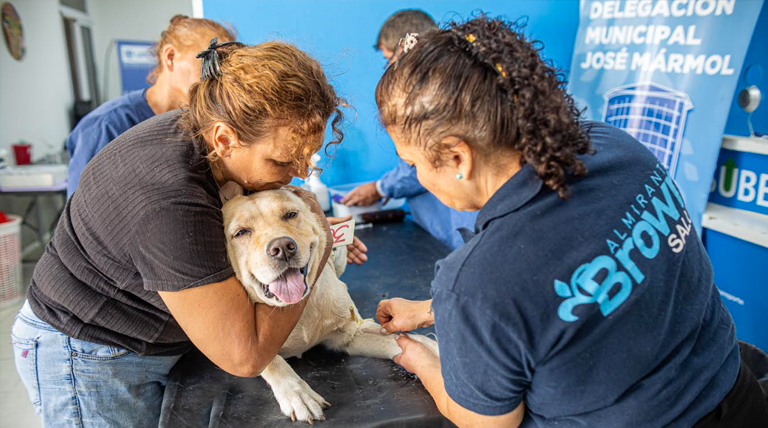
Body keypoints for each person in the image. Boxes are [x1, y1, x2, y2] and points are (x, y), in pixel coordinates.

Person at [374, 16, 768, 428]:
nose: (416, 176)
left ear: (458, 157)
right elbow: (572, 288)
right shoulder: (617, 148)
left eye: (412, 162)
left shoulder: (476, 284)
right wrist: (434, 310)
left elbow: (487, 423)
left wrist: (417, 357)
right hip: (741, 398)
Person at [12, 40, 366, 427]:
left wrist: (302, 230)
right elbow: (245, 356)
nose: (296, 173)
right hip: (90, 353)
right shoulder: (169, 199)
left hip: (154, 337)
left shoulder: (213, 142)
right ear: (224, 139)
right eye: (281, 161)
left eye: (304, 156)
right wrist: (319, 247)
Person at [341, 9, 477, 250]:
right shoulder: (461, 84)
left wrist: (381, 188)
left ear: (405, 48)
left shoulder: (434, 96)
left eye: (389, 60)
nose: (390, 70)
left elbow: (419, 168)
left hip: (461, 238)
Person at [65, 15, 234, 198]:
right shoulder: (107, 125)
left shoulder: (205, 124)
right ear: (170, 57)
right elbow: (80, 212)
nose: (218, 76)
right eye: (210, 62)